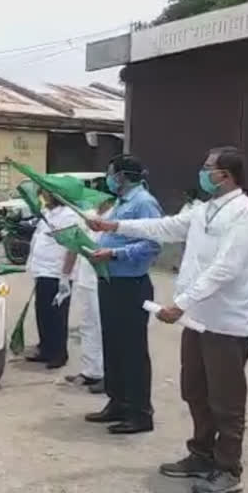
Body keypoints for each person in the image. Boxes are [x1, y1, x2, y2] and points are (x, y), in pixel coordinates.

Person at [90, 147, 248, 493]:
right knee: (195, 391)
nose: (202, 171)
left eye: (208, 167)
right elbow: (164, 226)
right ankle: (200, 454)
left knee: (226, 401)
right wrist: (115, 224)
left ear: (225, 175)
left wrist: (180, 303)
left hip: (225, 324)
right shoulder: (204, 210)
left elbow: (225, 269)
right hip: (197, 321)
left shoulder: (245, 214)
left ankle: (228, 469)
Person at [84, 155, 162, 435]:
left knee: (132, 350)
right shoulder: (121, 202)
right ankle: (117, 402)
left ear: (122, 176)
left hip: (131, 284)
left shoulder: (144, 203)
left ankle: (140, 413)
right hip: (111, 281)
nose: (109, 179)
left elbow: (153, 245)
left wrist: (114, 254)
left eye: (110, 174)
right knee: (113, 345)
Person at [25, 190, 81, 369]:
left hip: (57, 273)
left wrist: (66, 275)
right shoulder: (47, 213)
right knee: (43, 313)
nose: (43, 198)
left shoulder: (69, 215)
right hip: (43, 271)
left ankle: (59, 354)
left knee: (57, 315)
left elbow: (73, 245)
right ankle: (46, 349)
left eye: (45, 195)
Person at [65, 197, 115, 393]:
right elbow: (74, 246)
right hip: (84, 278)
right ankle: (91, 370)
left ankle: (107, 375)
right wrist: (66, 275)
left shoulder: (115, 217)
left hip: (102, 281)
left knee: (104, 327)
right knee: (87, 326)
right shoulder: (88, 216)